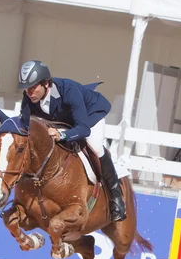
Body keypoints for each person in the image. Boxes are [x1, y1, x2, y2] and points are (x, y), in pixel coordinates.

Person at [17, 60, 126, 222]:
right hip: (62, 120)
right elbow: (25, 127)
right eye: (26, 88)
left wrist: (63, 136)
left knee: (95, 147)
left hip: (89, 117)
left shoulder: (68, 91)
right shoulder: (29, 97)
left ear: (46, 83)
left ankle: (116, 196)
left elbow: (83, 128)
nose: (29, 92)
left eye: (33, 87)